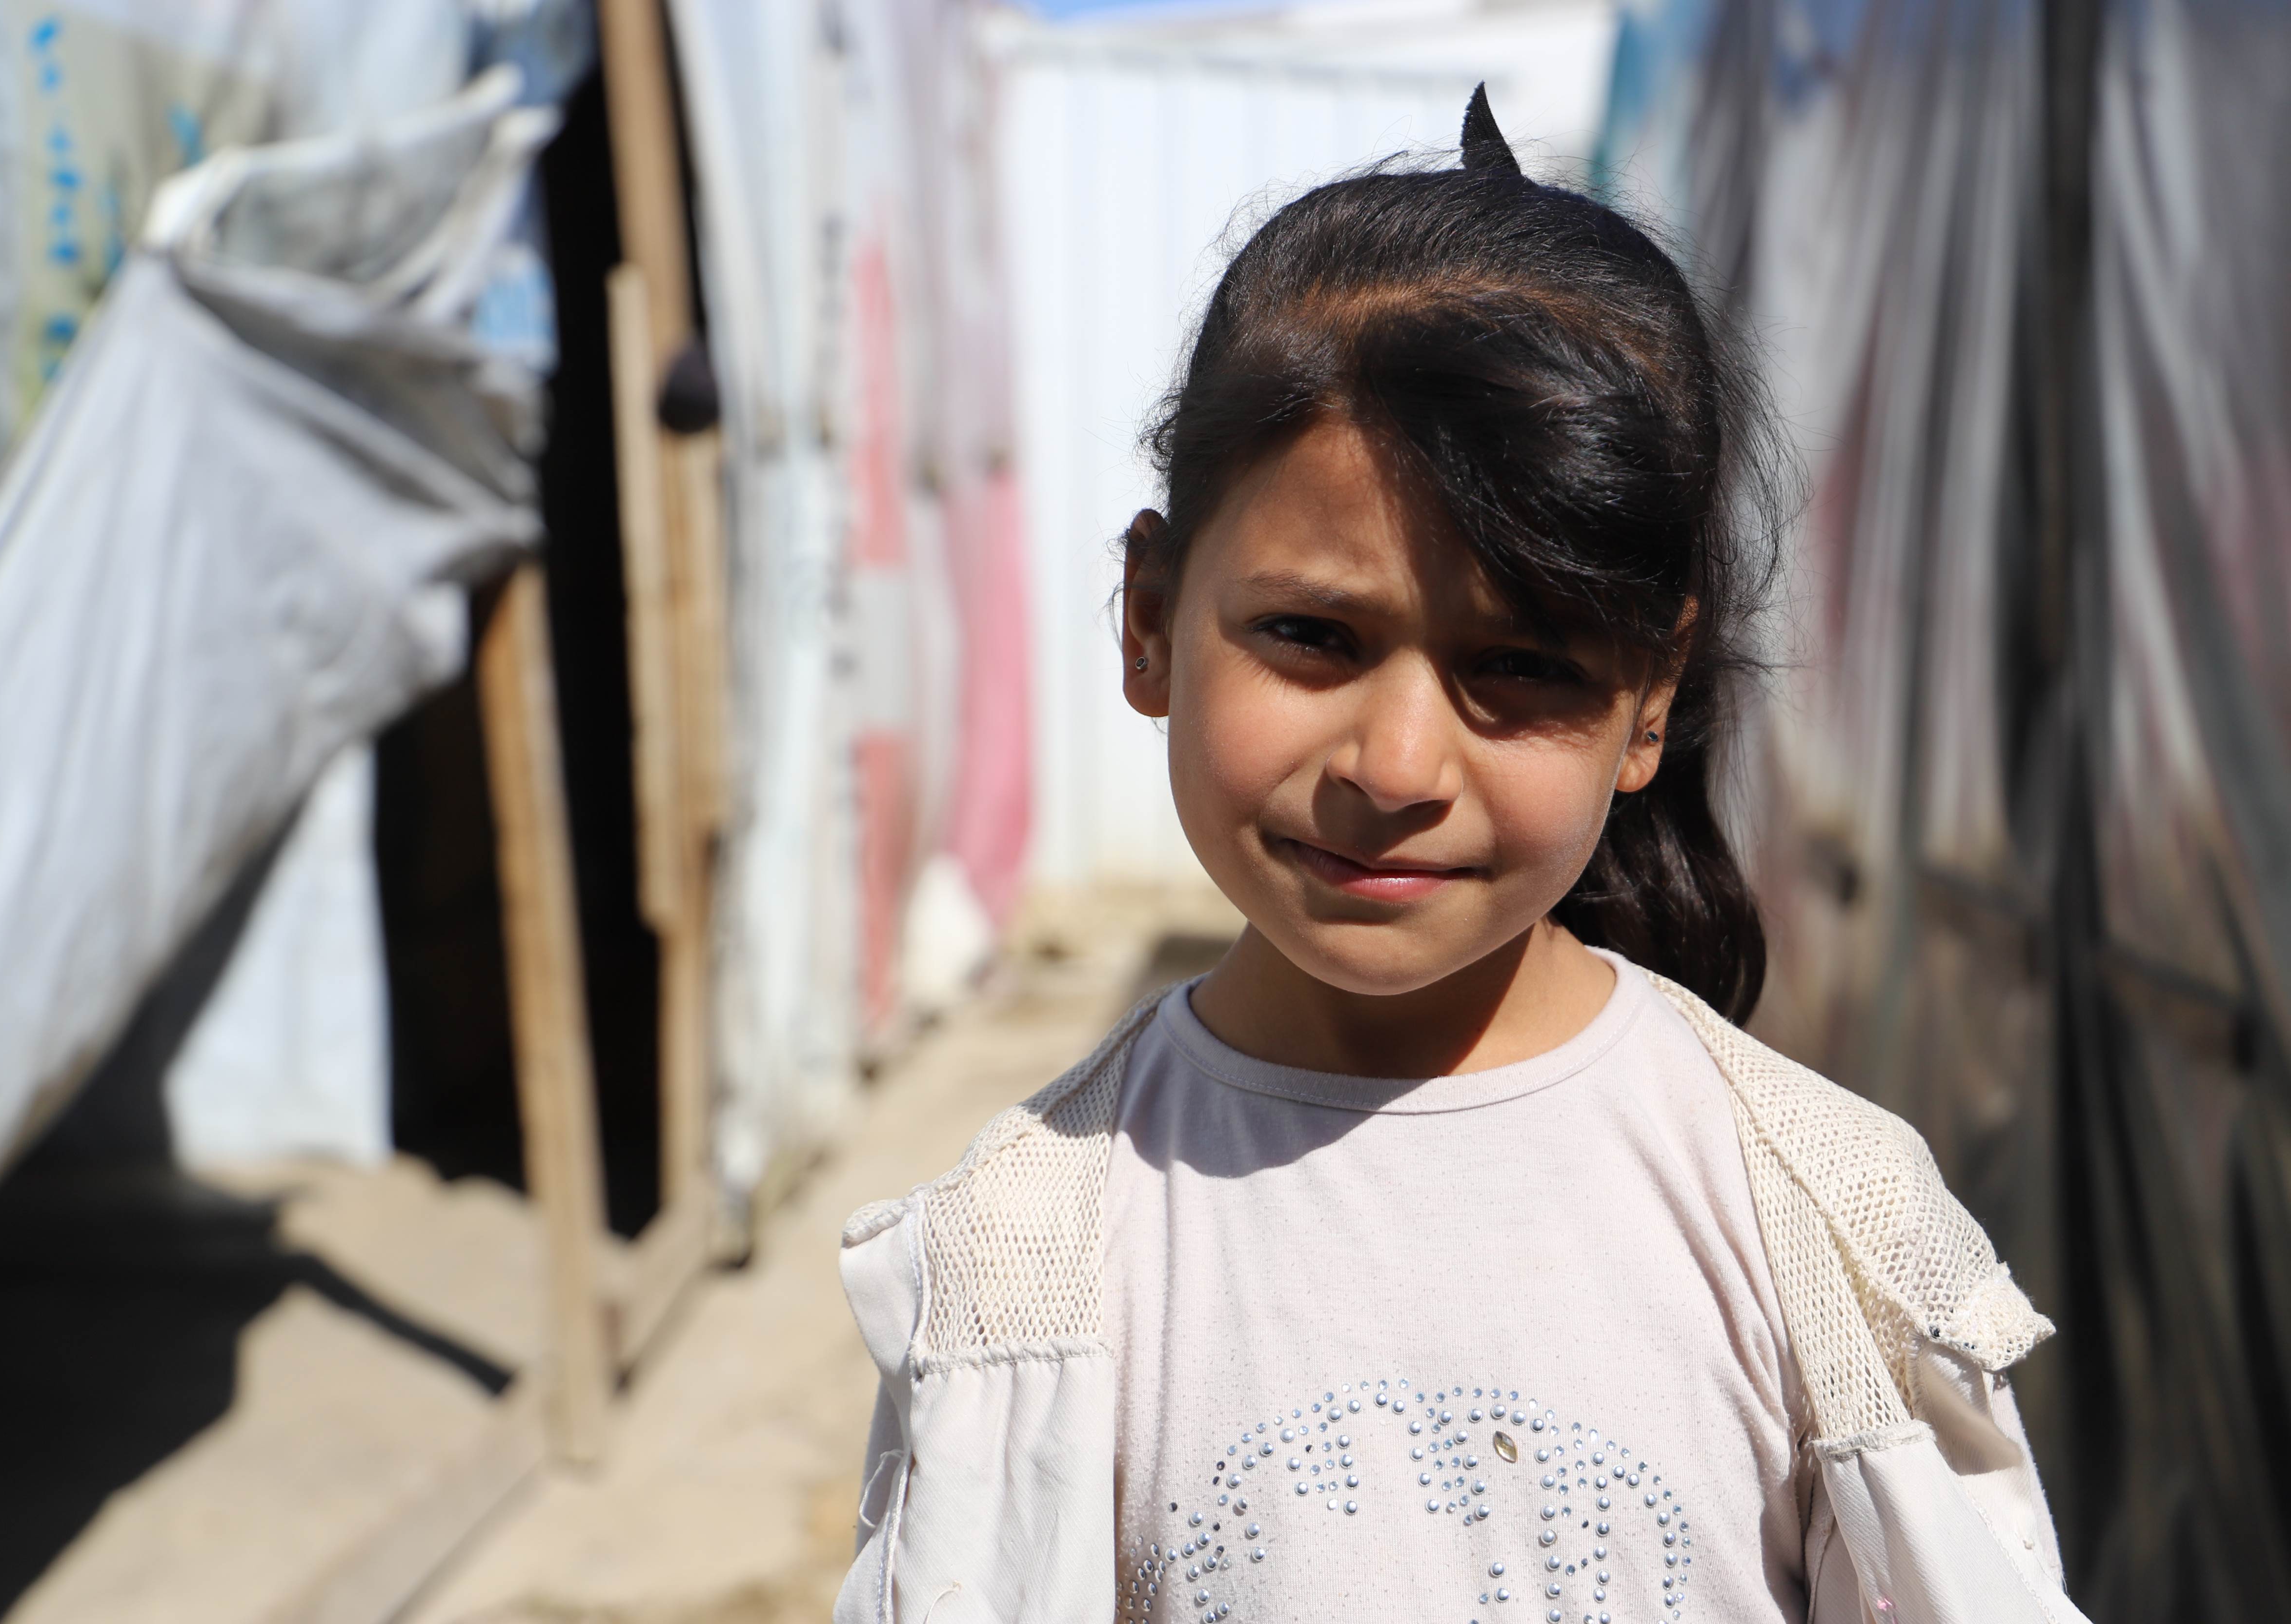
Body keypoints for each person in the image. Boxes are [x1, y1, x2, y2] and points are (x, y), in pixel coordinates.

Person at [833, 87, 2086, 1624]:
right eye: (1312, 636)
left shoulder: (1823, 1226)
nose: (1398, 768)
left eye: (1525, 671)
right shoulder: (1030, 1263)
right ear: (1152, 620)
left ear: (1650, 707)